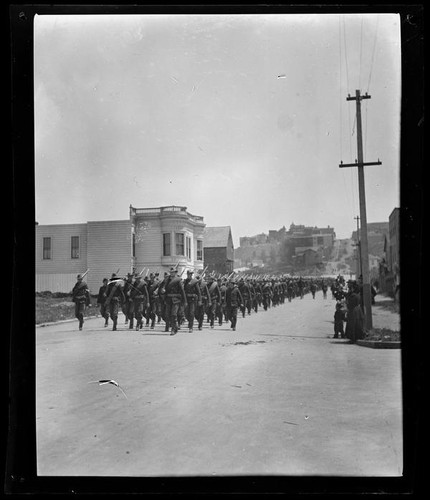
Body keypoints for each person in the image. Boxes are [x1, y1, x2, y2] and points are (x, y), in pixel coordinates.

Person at [163, 267, 187, 336]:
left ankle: (173, 329)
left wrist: (184, 301)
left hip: (176, 300)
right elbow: (165, 290)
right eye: (171, 272)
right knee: (167, 315)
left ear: (175, 273)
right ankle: (175, 326)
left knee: (173, 314)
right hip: (168, 300)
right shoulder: (167, 280)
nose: (171, 273)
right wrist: (163, 292)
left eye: (173, 272)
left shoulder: (178, 280)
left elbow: (182, 291)